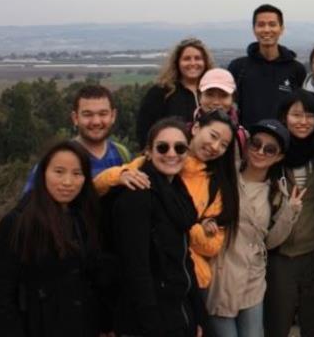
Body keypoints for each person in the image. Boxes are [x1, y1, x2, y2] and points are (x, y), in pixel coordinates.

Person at [96, 109, 240, 296]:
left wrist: (182, 225)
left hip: (192, 280)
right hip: (151, 275)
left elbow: (213, 246)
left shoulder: (215, 185)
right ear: (196, 128)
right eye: (213, 136)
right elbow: (96, 187)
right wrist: (119, 176)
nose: (215, 146)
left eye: (223, 145)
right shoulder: (160, 158)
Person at [0, 141, 106, 337]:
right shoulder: (18, 222)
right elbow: (1, 296)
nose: (67, 182)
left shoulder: (85, 218)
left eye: (77, 174)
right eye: (59, 171)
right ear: (42, 174)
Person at [206, 119, 303, 337]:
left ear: (278, 157)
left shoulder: (277, 192)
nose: (260, 151)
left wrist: (291, 212)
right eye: (256, 144)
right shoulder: (224, 179)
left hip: (252, 278)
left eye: (269, 149)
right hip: (221, 276)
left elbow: (269, 242)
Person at [110, 118, 207, 337]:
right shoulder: (138, 196)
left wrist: (198, 315)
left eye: (180, 147)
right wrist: (152, 326)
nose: (172, 153)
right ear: (148, 152)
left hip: (176, 313)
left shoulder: (177, 195)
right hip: (147, 321)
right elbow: (136, 268)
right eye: (162, 147)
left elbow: (183, 260)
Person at [265, 90, 314, 337]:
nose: (303, 121)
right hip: (280, 255)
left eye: (309, 115)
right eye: (296, 114)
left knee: (312, 324)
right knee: (277, 324)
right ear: (284, 117)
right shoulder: (268, 153)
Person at [23, 84, 132, 192]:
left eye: (103, 114)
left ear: (113, 116)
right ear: (75, 118)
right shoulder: (55, 159)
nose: (96, 122)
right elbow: (28, 206)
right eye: (87, 114)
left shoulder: (122, 154)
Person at [228, 4, 307, 128]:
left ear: (281, 29)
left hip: (285, 142)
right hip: (249, 143)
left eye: (272, 24)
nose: (266, 29)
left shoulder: (296, 69)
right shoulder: (238, 68)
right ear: (254, 29)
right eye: (261, 25)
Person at [137, 37, 214, 146]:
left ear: (205, 62)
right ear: (177, 63)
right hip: (170, 158)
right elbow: (144, 130)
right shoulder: (161, 92)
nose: (192, 63)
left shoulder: (213, 92)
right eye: (187, 59)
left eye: (198, 58)